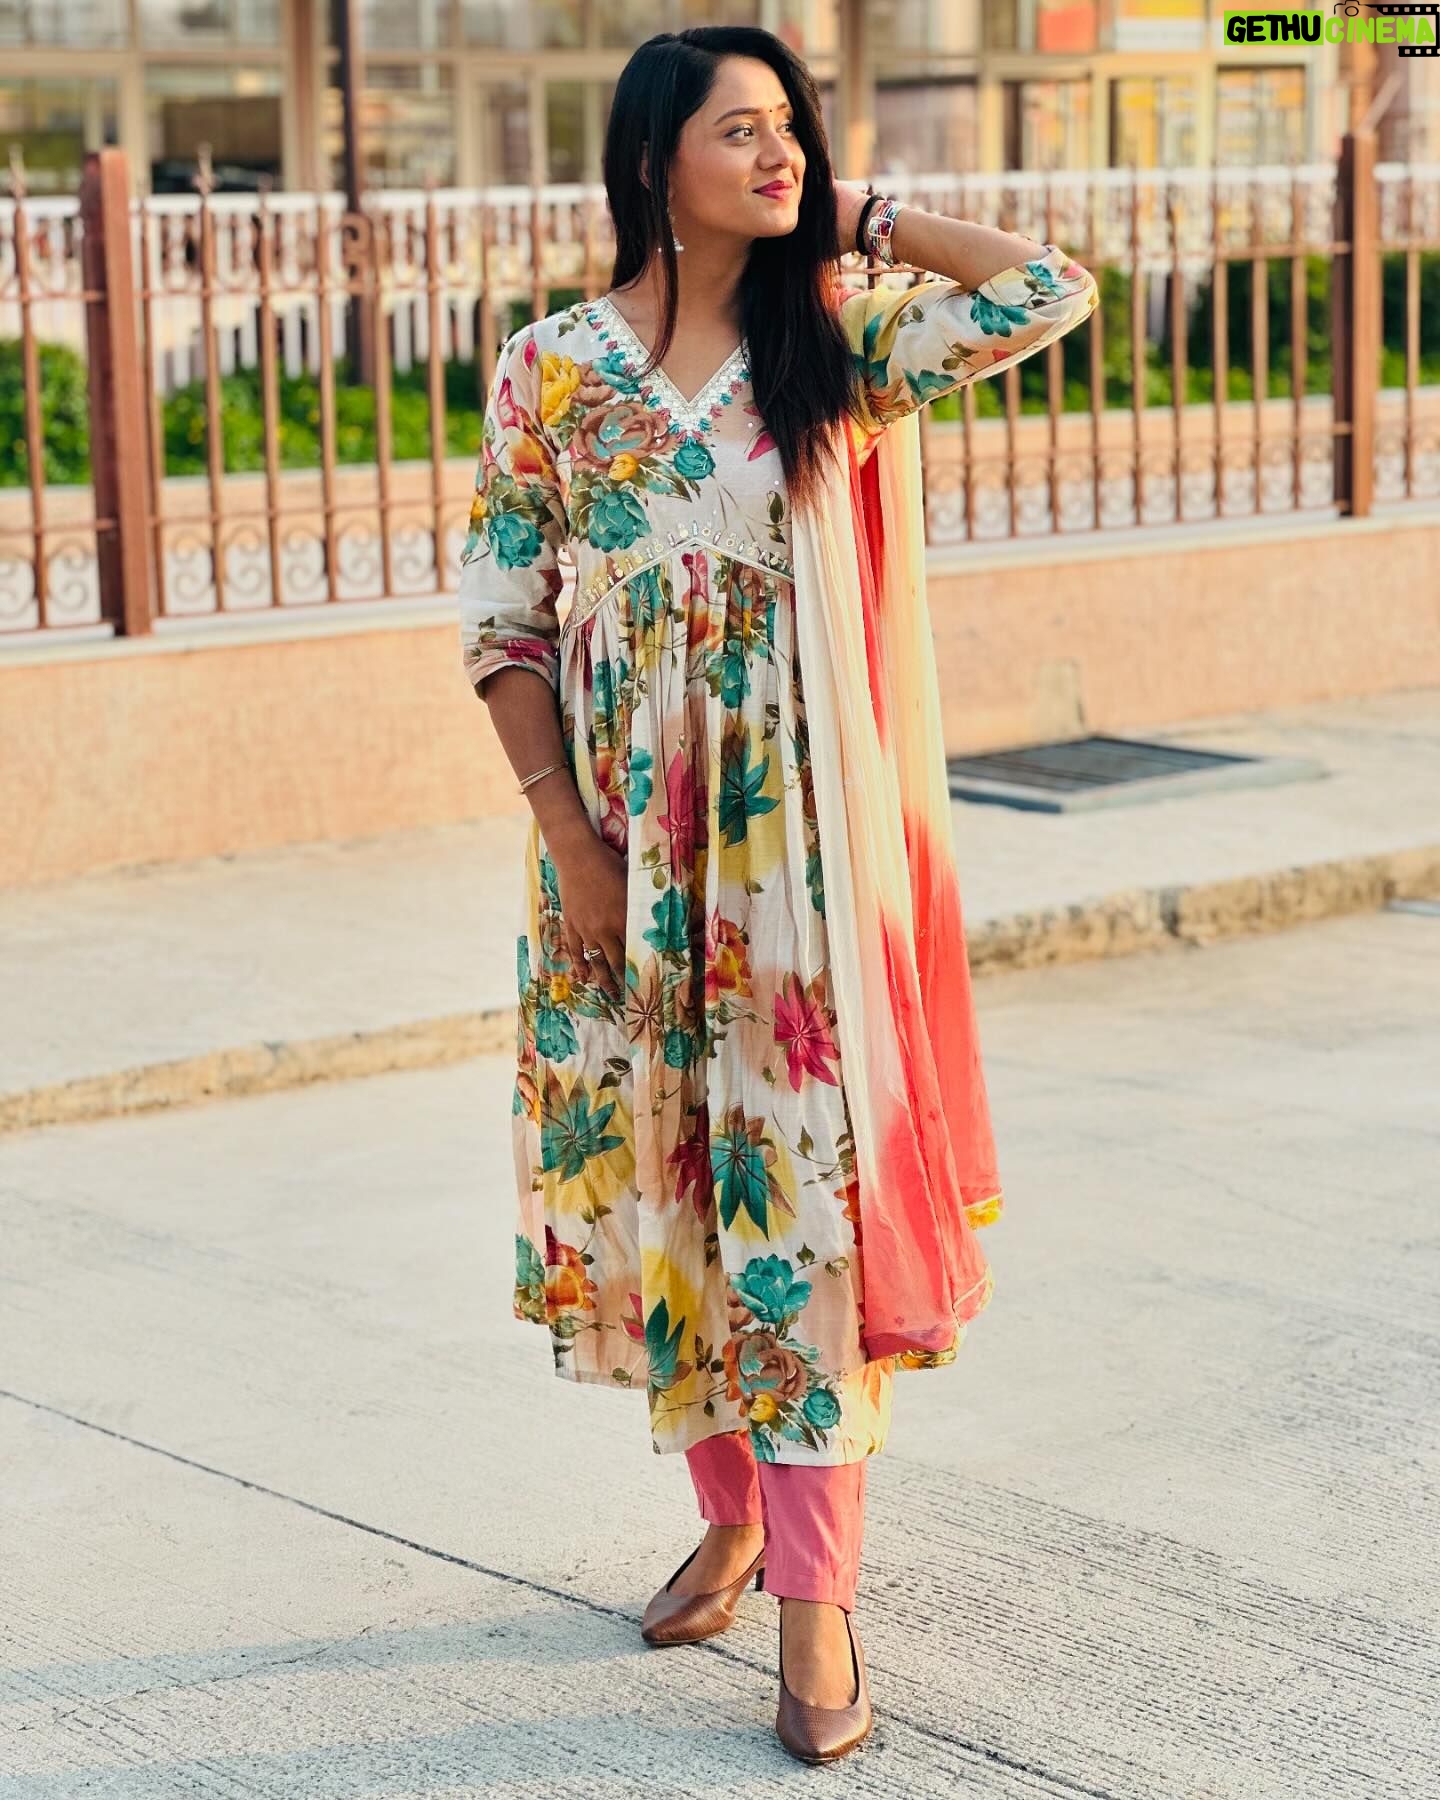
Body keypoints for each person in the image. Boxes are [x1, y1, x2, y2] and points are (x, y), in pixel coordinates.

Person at [460, 24, 1097, 1766]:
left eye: (791, 127)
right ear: (649, 158)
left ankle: (819, 1599)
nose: (779, 152)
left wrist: (867, 216)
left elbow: (1045, 291)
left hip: (800, 869)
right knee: (665, 1188)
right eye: (740, 130)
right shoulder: (550, 373)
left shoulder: (838, 340)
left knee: (800, 1208)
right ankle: (729, 1514)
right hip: (617, 865)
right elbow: (504, 625)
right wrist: (572, 845)